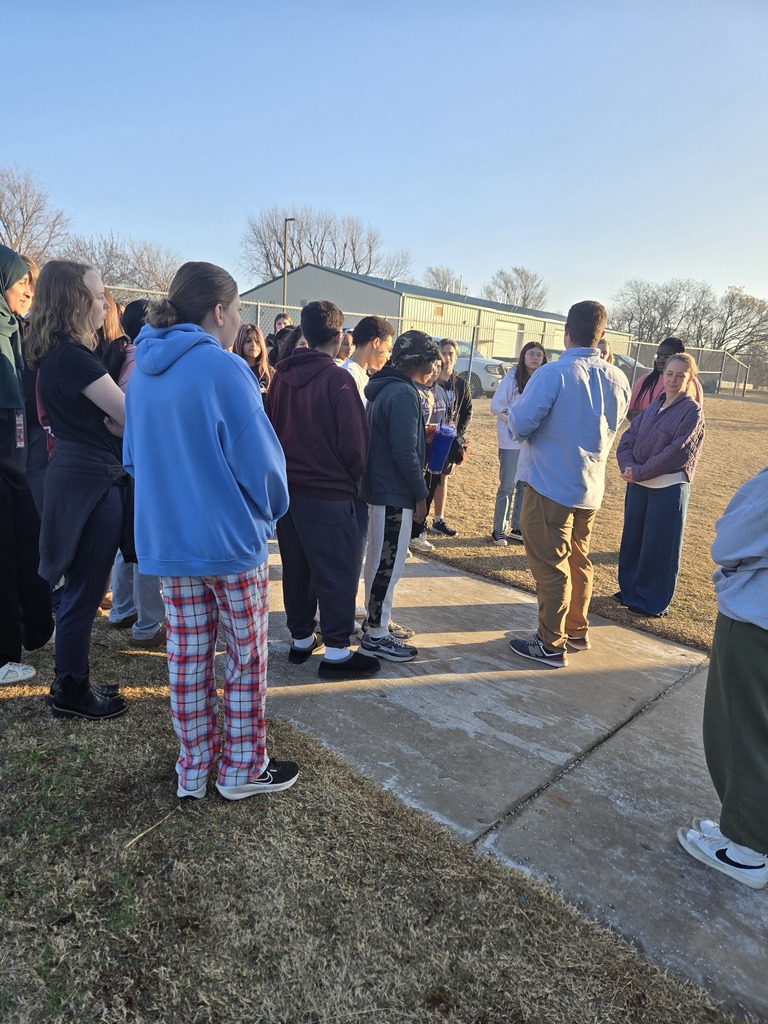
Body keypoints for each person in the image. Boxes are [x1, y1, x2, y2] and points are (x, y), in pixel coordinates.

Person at [123, 261, 298, 800]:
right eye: (239, 308)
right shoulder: (224, 371)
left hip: (169, 544)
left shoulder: (142, 373)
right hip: (228, 543)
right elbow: (264, 465)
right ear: (219, 312)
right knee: (245, 659)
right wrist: (267, 514)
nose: (240, 319)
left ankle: (193, 767)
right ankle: (242, 768)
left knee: (187, 655)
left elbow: (132, 459)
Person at [26, 261, 129, 719]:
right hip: (91, 480)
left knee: (82, 588)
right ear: (73, 300)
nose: (104, 302)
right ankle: (71, 689)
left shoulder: (63, 353)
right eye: (97, 293)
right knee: (84, 589)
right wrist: (124, 422)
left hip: (84, 472)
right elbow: (130, 414)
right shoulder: (71, 356)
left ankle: (72, 675)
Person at [508, 301, 630, 668]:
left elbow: (520, 424)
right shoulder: (618, 378)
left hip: (549, 485)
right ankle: (576, 630)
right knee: (578, 560)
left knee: (551, 565)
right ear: (602, 334)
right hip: (589, 488)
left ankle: (550, 643)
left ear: (566, 330)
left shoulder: (553, 373)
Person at [266, 300, 380, 679]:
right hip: (330, 492)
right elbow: (354, 445)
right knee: (337, 571)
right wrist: (351, 478)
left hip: (290, 493)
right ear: (338, 336)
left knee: (297, 568)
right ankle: (335, 653)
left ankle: (301, 639)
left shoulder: (281, 376)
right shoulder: (339, 380)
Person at [677, 468, 768, 890]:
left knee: (739, 733)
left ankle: (747, 851)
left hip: (755, 622)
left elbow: (730, 538)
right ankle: (746, 829)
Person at [361, 330, 443, 661]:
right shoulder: (405, 394)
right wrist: (421, 494)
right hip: (393, 492)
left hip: (379, 488)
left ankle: (375, 623)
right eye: (434, 360)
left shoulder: (385, 389)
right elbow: (404, 453)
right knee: (387, 566)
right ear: (420, 361)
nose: (437, 366)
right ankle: (376, 635)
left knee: (377, 561)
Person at [616, 353, 705, 617]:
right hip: (639, 484)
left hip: (667, 487)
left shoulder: (692, 412)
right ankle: (630, 590)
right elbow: (627, 439)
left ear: (690, 378)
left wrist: (640, 471)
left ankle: (651, 599)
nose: (673, 379)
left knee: (660, 545)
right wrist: (628, 468)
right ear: (662, 374)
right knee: (634, 540)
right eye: (669, 373)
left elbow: (678, 451)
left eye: (681, 375)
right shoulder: (654, 406)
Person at [0, 245, 53, 685]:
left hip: (12, 464)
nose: (27, 292)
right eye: (21, 283)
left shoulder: (11, 331)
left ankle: (21, 634)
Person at [105, 299, 166, 648]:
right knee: (145, 544)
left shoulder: (123, 353)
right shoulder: (143, 359)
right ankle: (147, 624)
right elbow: (129, 417)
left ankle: (122, 608)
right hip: (142, 462)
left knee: (130, 540)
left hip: (125, 462)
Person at [490, 342, 546, 546]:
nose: (535, 358)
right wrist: (516, 420)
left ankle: (517, 527)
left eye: (539, 355)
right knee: (507, 485)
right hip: (511, 440)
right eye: (531, 354)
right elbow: (496, 405)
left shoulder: (543, 379)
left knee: (524, 484)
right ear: (523, 356)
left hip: (531, 441)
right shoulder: (512, 378)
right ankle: (498, 529)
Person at [426, 338, 473, 538]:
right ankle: (418, 522)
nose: (446, 357)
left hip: (448, 439)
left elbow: (467, 411)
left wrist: (458, 434)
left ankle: (438, 519)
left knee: (442, 479)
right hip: (429, 438)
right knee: (426, 477)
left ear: (456, 357)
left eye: (450, 353)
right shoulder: (431, 380)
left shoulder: (461, 384)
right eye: (443, 353)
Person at [627, 337, 703, 421]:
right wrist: (648, 421)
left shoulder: (691, 382)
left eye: (667, 357)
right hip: (641, 432)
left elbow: (694, 417)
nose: (661, 360)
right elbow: (630, 411)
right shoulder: (645, 380)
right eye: (658, 356)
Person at [233, 323, 272, 391]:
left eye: (257, 341)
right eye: (248, 341)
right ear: (240, 343)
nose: (253, 345)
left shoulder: (269, 372)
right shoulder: (233, 371)